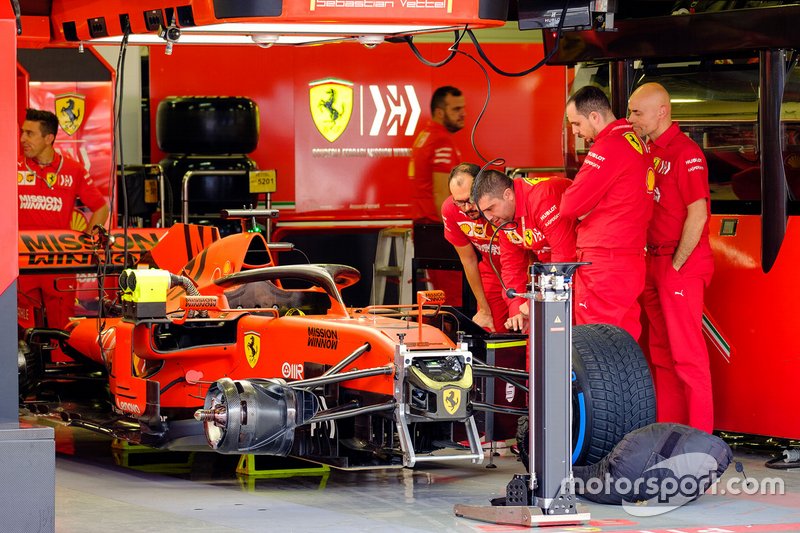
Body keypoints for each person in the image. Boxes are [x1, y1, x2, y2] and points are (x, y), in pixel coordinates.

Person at [628, 82, 715, 433]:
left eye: (637, 112)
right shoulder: (647, 149)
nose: (631, 118)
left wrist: (676, 264)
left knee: (687, 357)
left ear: (661, 112)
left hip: (678, 264)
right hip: (652, 262)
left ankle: (701, 441)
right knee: (661, 357)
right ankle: (668, 434)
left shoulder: (686, 152)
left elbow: (699, 214)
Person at [559, 86, 654, 341]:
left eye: (576, 123)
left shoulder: (608, 146)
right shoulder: (637, 143)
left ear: (594, 117)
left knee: (596, 344)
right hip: (630, 259)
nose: (576, 132)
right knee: (624, 342)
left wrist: (587, 208)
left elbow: (569, 206)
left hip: (604, 262)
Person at [17, 108, 109, 331]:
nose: (22, 139)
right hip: (20, 264)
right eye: (23, 132)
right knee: (23, 333)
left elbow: (100, 208)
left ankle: (61, 362)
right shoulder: (12, 167)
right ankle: (25, 367)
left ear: (49, 138)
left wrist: (85, 243)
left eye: (30, 134)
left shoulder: (73, 170)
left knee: (62, 329)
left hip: (59, 262)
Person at [473, 170, 577, 332]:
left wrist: (534, 302)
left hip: (583, 267)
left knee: (578, 340)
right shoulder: (504, 217)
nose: (489, 218)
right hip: (554, 273)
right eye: (484, 213)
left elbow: (565, 255)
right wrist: (517, 310)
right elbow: (511, 267)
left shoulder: (542, 197)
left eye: (491, 208)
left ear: (508, 195)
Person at [441, 163, 508, 332]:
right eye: (459, 202)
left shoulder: (502, 202)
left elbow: (529, 250)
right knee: (489, 331)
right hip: (491, 272)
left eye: (470, 200)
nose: (466, 208)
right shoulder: (450, 210)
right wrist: (485, 310)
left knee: (531, 330)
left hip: (523, 272)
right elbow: (468, 260)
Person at [409, 86, 465, 222]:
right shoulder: (441, 141)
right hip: (435, 223)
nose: (463, 114)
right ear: (440, 113)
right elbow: (441, 195)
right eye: (456, 109)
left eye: (463, 108)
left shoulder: (426, 135)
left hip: (424, 222)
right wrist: (452, 233)